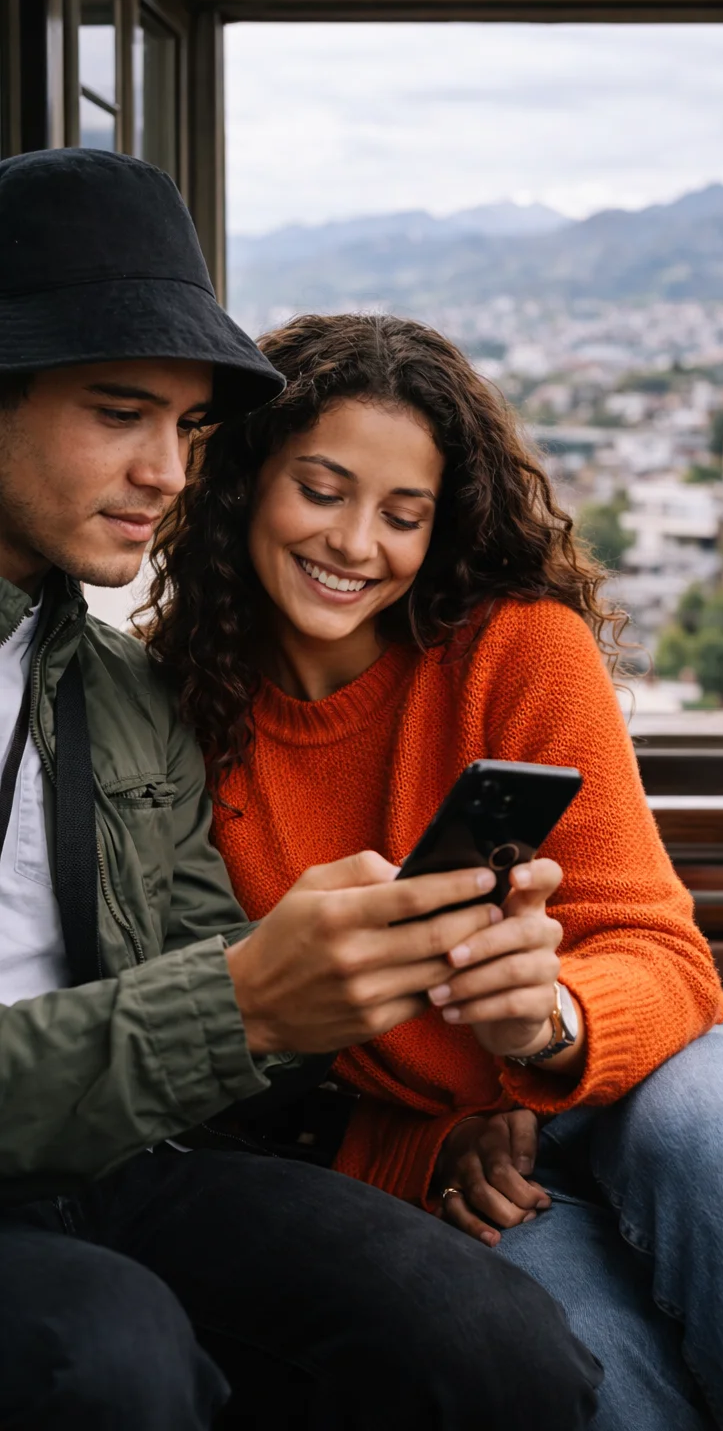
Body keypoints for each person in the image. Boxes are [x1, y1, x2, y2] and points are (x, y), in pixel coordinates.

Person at [145, 311, 723, 1431]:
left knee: (717, 1139)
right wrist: (440, 1132)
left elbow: (659, 952)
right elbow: (237, 1047)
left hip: (647, 1076)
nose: (354, 543)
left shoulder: (514, 646)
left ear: (442, 525)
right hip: (442, 1149)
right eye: (321, 491)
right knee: (597, 1374)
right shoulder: (171, 711)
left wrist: (550, 1028)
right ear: (246, 481)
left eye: (403, 513)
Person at [0, 149, 602, 1431]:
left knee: (498, 1351)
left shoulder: (119, 691)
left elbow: (222, 989)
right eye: (120, 413)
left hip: (116, 1162)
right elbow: (216, 1000)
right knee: (105, 1353)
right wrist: (239, 1000)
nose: (167, 472)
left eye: (186, 427)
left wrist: (439, 1035)